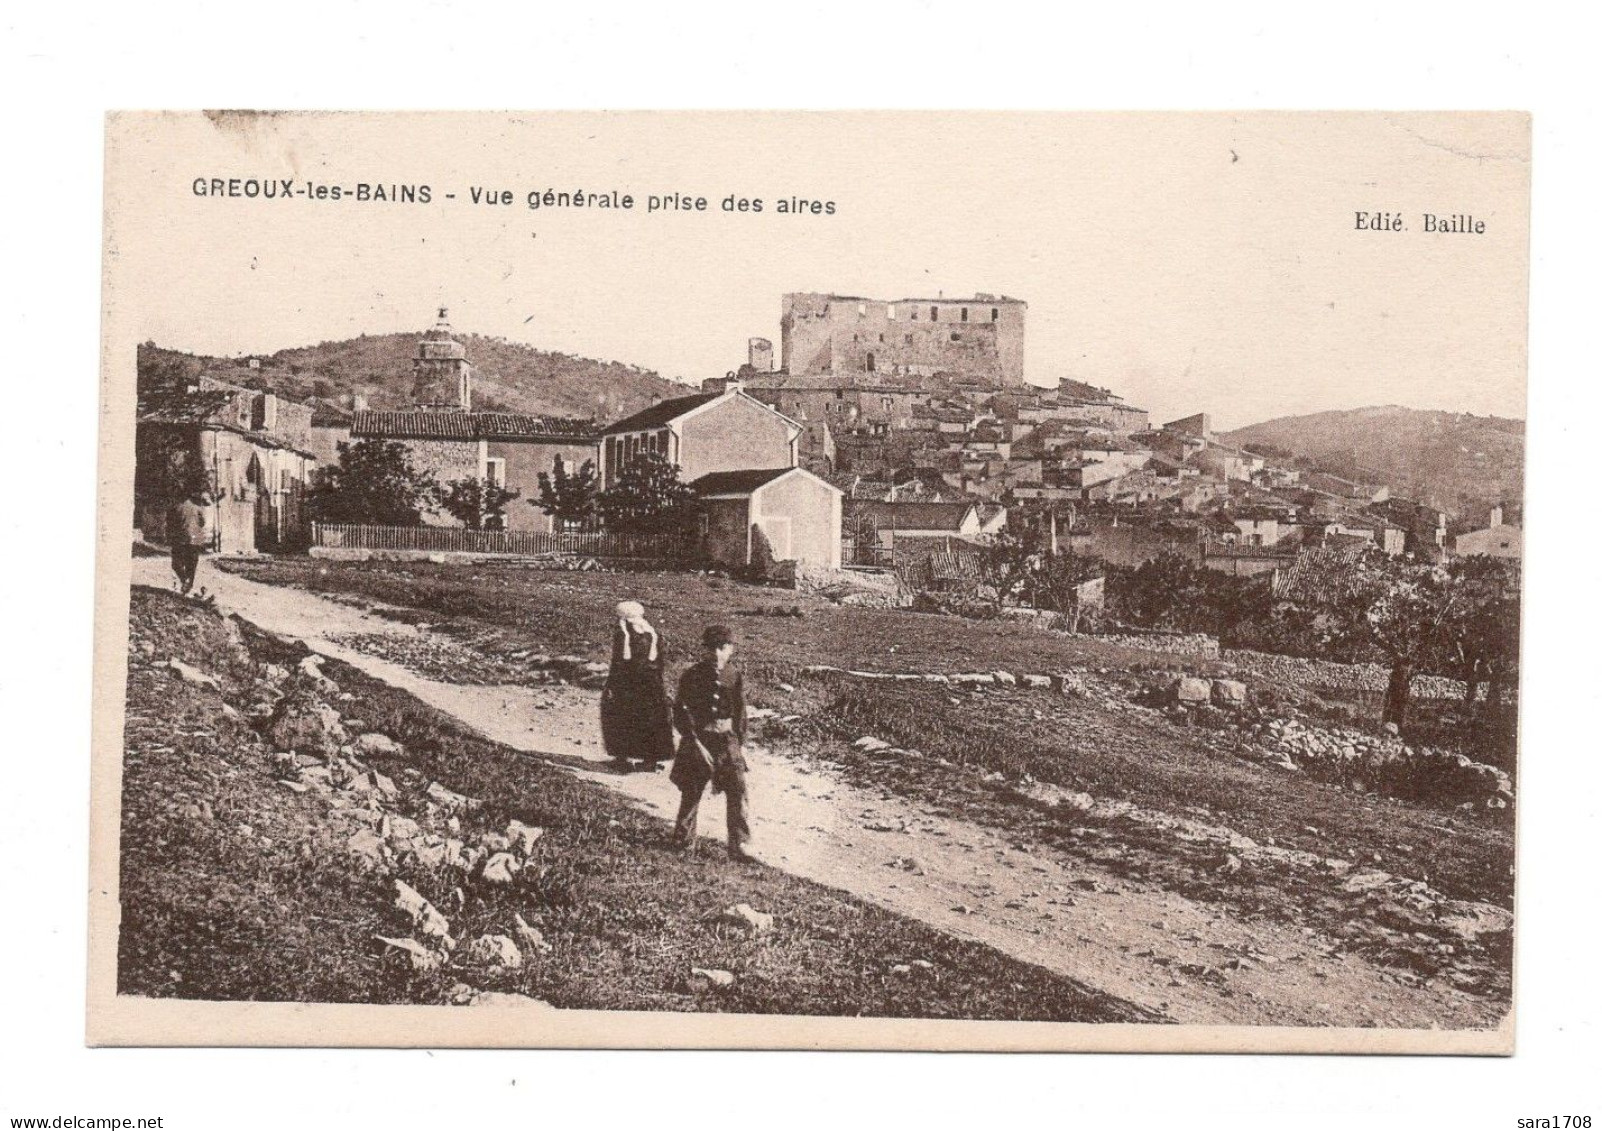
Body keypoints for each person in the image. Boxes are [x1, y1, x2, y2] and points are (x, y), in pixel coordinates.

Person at [670, 624, 753, 861]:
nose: (717, 654)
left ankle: (739, 845)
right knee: (691, 789)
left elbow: (740, 712)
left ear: (731, 650)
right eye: (711, 649)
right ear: (704, 650)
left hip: (727, 741)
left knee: (738, 789)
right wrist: (692, 739)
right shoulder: (692, 675)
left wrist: (738, 743)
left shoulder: (734, 676)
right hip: (699, 739)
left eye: (722, 648)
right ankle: (683, 841)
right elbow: (681, 709)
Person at [600, 601, 675, 772]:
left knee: (621, 717)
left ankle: (622, 759)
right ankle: (650, 760)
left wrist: (611, 685)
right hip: (652, 685)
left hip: (628, 684)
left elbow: (618, 663)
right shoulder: (652, 633)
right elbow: (660, 663)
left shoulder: (623, 634)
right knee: (650, 721)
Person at [169, 487, 212, 595]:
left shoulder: (176, 507)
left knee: (176, 563)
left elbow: (172, 524)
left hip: (181, 539)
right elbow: (202, 523)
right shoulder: (197, 508)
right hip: (195, 540)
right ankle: (188, 585)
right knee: (191, 564)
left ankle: (184, 581)